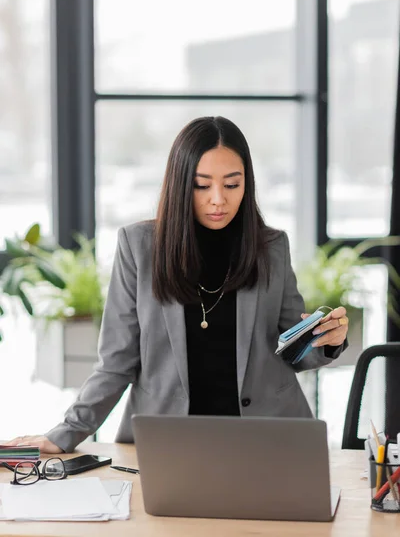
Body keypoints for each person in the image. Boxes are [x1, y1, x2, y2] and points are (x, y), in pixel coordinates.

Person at [7, 116, 348, 454]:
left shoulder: (271, 247)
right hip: (167, 443)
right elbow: (116, 362)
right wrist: (67, 432)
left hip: (269, 438)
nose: (218, 199)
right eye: (202, 185)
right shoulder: (138, 247)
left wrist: (327, 341)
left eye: (232, 184)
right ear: (180, 183)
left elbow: (293, 350)